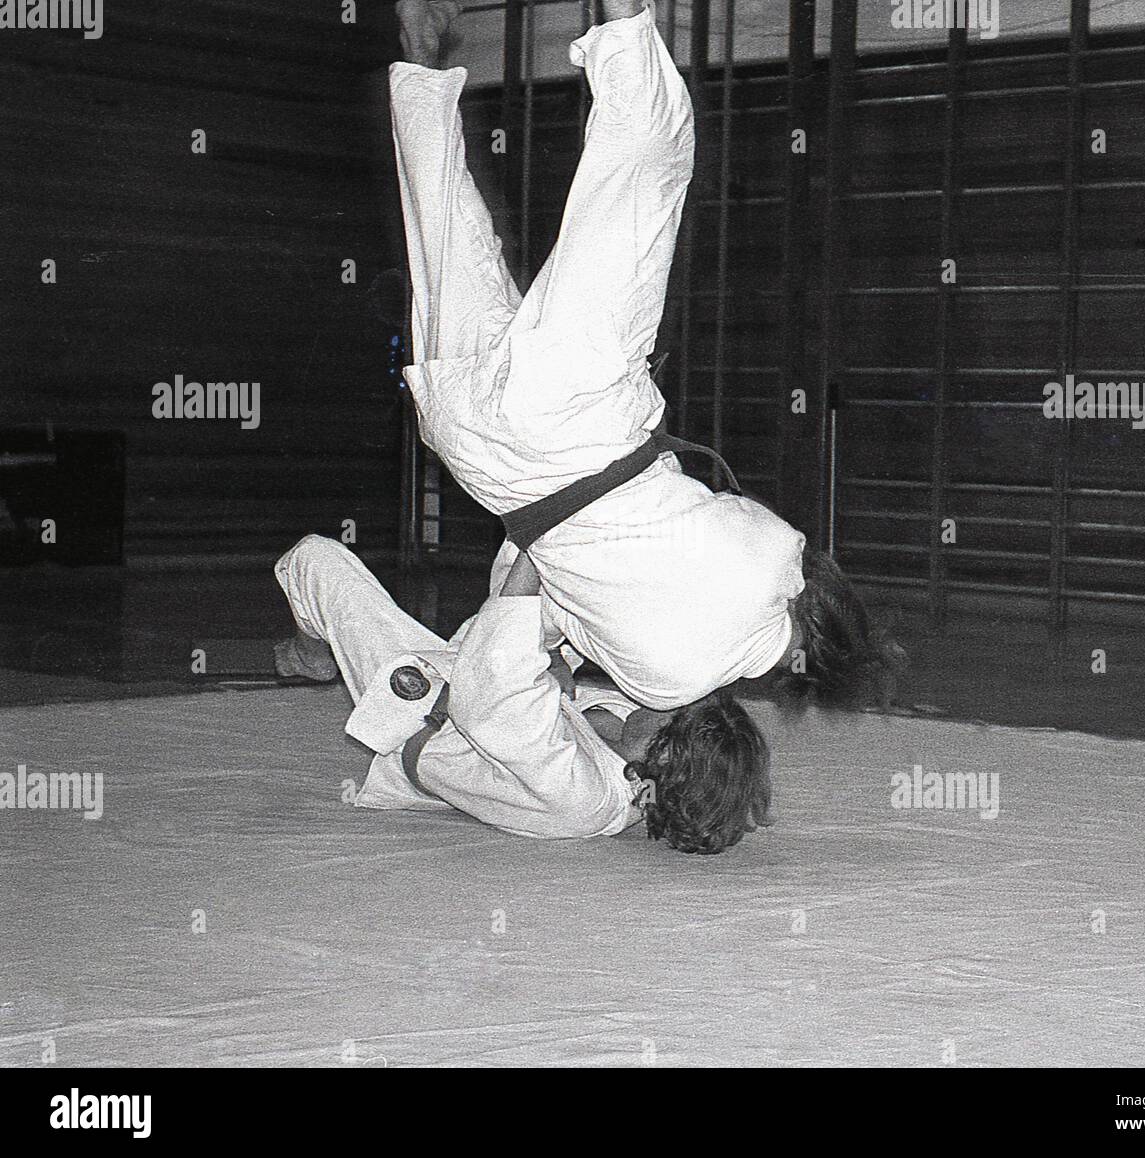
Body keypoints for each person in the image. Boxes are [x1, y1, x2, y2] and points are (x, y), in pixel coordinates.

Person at [389, 0, 903, 715]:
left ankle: (623, 16)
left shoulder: (776, 563)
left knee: (654, 161)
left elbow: (735, 523)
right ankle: (417, 65)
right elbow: (542, 601)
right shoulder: (658, 685)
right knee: (445, 231)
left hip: (578, 418)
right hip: (476, 450)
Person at [273, 534, 772, 853]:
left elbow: (492, 692)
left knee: (314, 560)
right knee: (565, 567)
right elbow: (545, 695)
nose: (663, 700)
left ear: (664, 754)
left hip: (423, 712)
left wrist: (539, 546)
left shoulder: (586, 799)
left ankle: (314, 654)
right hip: (482, 682)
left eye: (672, 712)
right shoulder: (633, 754)